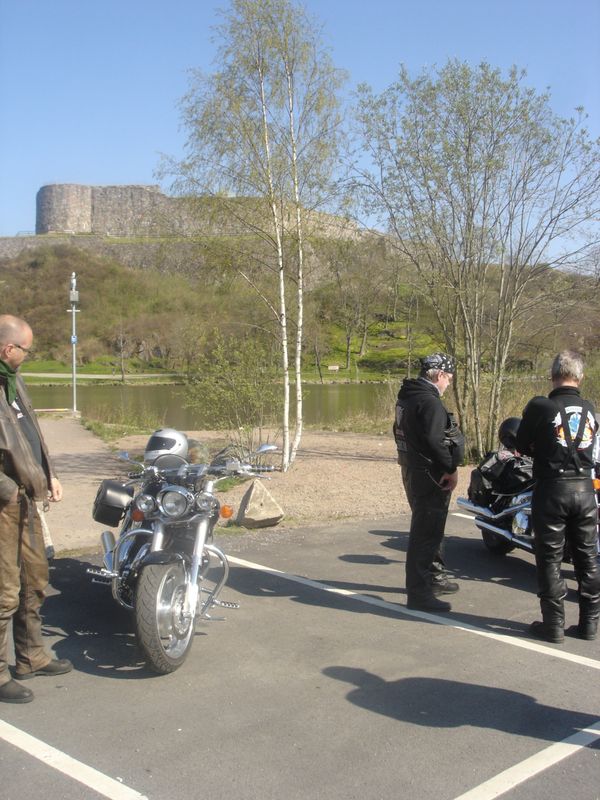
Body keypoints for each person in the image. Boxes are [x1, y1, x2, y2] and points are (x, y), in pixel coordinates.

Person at [0, 314, 72, 704]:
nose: (28, 356)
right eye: (26, 349)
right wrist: (8, 491)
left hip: (27, 498)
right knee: (4, 590)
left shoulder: (14, 381)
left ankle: (31, 656)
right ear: (8, 348)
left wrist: (50, 474)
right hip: (5, 502)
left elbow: (32, 436)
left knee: (34, 579)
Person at [516, 350, 600, 643]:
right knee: (587, 557)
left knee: (550, 558)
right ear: (580, 377)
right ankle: (589, 625)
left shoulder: (541, 406)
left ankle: (553, 626)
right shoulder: (590, 408)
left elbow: (521, 443)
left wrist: (540, 448)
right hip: (585, 490)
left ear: (552, 376)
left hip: (552, 489)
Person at [394, 353, 465, 611]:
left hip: (412, 467)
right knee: (426, 534)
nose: (449, 384)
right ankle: (419, 594)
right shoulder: (429, 402)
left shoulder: (407, 396)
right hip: (430, 474)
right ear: (440, 375)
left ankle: (433, 578)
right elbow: (436, 442)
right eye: (449, 379)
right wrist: (450, 469)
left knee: (427, 531)